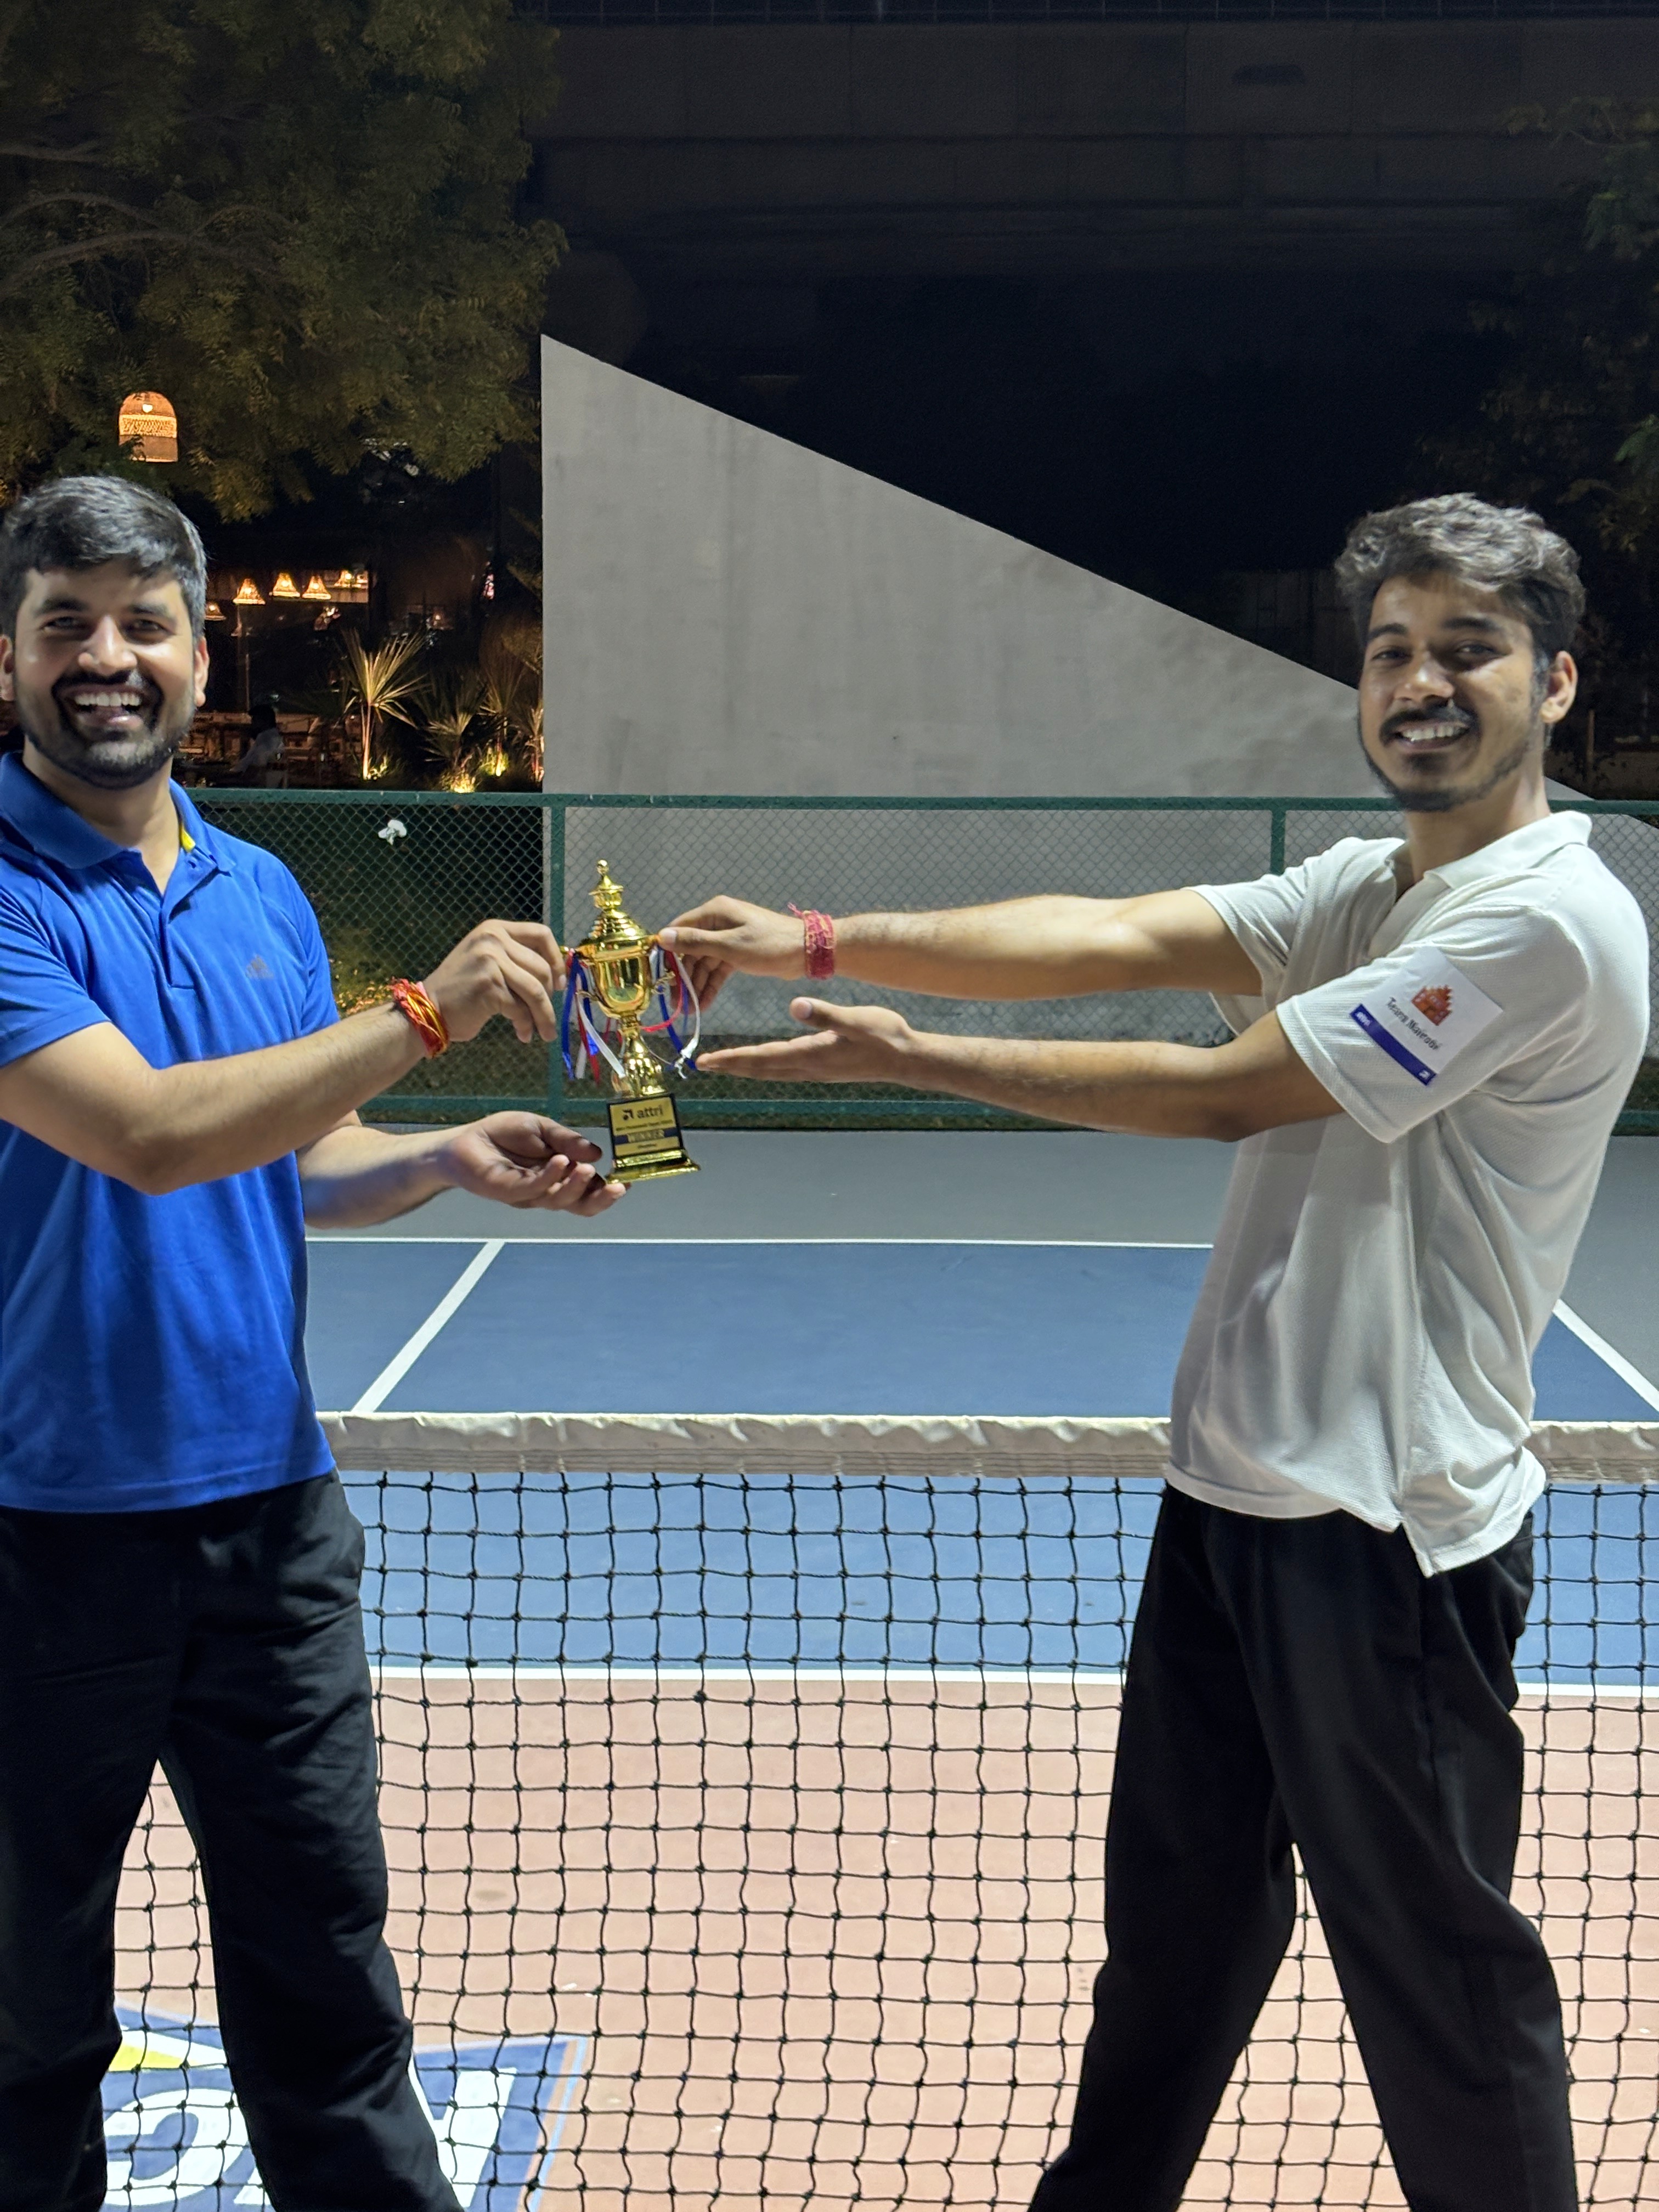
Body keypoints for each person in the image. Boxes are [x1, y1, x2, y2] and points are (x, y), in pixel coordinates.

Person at [659, 494, 1651, 2212]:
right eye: (1392, 651)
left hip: (1387, 1531)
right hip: (1237, 1496)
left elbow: (1218, 1093)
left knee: (1440, 1983)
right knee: (1178, 1946)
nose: (1421, 683)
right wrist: (818, 944)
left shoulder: (1540, 919)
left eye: (1468, 651)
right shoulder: (1377, 885)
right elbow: (1122, 934)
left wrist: (916, 1058)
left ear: (1556, 685)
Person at [0, 473, 622, 2212]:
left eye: (142, 624)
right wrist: (422, 1013)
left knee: (326, 1992)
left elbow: (289, 1152)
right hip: (40, 1538)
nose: (105, 659)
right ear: (11, 660)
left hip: (272, 1530)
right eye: (67, 625)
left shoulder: (263, 891)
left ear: (200, 656)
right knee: (27, 2019)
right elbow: (150, 1133)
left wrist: (436, 1152)